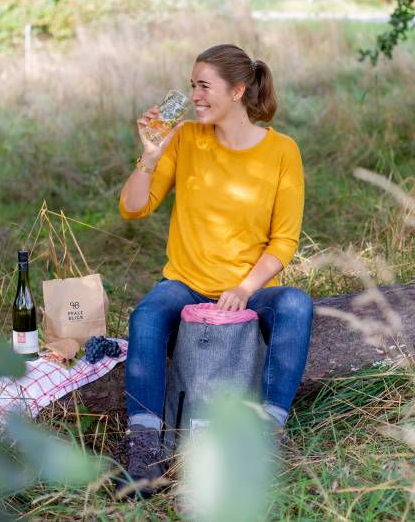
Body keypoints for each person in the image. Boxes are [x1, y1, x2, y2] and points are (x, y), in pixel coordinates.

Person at [117, 43, 313, 496]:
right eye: (192, 86)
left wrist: (244, 289)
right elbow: (133, 208)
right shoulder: (184, 138)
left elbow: (284, 240)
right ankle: (146, 454)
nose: (195, 96)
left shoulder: (282, 151)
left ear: (238, 90)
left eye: (204, 86)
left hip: (250, 290)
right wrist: (148, 155)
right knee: (147, 316)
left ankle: (269, 434)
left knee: (297, 305)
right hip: (185, 285)